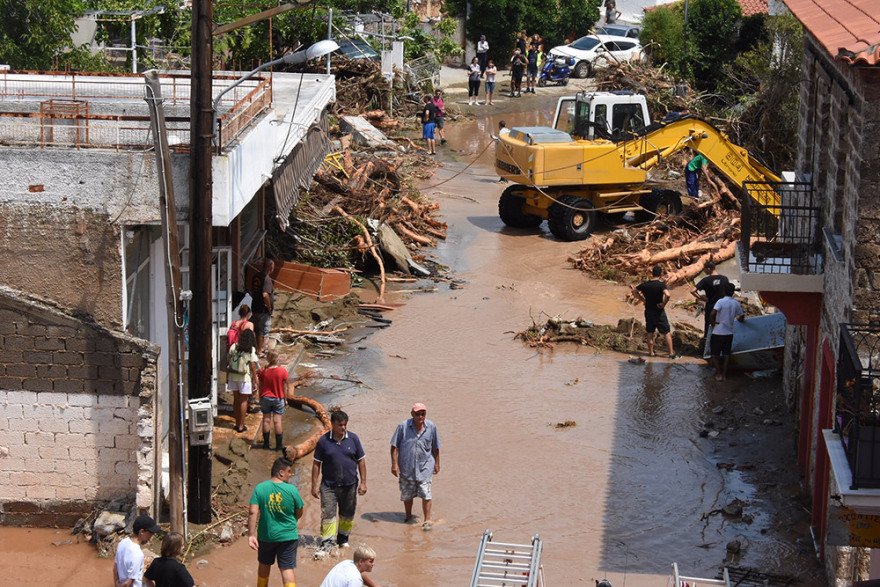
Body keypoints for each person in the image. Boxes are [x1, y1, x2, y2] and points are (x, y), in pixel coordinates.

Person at [312, 410, 367, 551]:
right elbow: (316, 463)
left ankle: (343, 539)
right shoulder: (323, 441)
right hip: (329, 486)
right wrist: (314, 485)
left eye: (345, 425)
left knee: (347, 514)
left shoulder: (353, 439)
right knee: (328, 514)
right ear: (332, 424)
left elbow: (361, 461)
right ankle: (327, 542)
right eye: (340, 425)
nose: (343, 428)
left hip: (350, 485)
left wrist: (363, 483)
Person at [248, 457, 305, 587]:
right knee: (286, 568)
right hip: (288, 536)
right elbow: (300, 510)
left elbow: (252, 512)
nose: (290, 475)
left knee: (264, 564)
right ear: (281, 473)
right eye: (289, 471)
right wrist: (293, 520)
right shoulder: (292, 490)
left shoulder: (260, 488)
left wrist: (251, 535)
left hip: (266, 536)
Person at [390, 402, 441, 530]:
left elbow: (435, 448)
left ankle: (427, 520)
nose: (420, 417)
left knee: (426, 493)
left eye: (423, 414)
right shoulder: (403, 427)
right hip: (406, 467)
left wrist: (437, 464)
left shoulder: (432, 427)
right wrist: (394, 465)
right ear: (412, 414)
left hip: (425, 467)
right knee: (407, 495)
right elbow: (394, 447)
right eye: (417, 414)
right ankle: (408, 517)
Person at [631, 265, 676, 359]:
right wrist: (663, 304)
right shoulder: (661, 284)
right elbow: (668, 295)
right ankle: (671, 354)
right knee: (666, 332)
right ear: (660, 274)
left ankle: (651, 352)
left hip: (648, 311)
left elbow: (634, 291)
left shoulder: (645, 284)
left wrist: (643, 300)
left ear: (652, 273)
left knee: (650, 332)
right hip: (659, 311)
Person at [709, 283, 745, 381]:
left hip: (718, 332)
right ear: (733, 292)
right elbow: (742, 316)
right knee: (726, 354)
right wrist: (739, 319)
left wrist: (712, 323)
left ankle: (719, 373)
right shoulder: (736, 303)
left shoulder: (720, 301)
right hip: (729, 333)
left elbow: (713, 313)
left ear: (724, 291)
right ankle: (724, 374)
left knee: (714, 355)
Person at [114, 514, 161, 587]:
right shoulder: (137, 554)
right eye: (151, 532)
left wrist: (117, 583)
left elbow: (115, 569)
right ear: (142, 532)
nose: (152, 535)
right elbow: (128, 583)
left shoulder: (122, 543)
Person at [228, 328, 259, 433]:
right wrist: (255, 381)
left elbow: (229, 362)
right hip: (244, 377)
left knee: (236, 399)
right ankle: (241, 425)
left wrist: (227, 377)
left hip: (233, 375)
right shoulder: (251, 349)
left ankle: (237, 423)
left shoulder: (234, 346)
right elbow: (253, 366)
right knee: (243, 400)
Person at [258, 350, 289, 450]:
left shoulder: (263, 370)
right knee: (277, 421)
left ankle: (266, 444)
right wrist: (285, 398)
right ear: (277, 359)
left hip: (265, 397)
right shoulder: (282, 371)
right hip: (278, 397)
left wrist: (260, 397)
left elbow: (260, 385)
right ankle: (279, 445)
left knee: (266, 420)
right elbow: (285, 386)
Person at [691, 260, 729, 338]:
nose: (704, 271)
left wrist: (701, 298)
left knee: (709, 325)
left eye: (704, 269)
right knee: (722, 324)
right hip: (723, 306)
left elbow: (692, 290)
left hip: (711, 306)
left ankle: (707, 343)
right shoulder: (725, 279)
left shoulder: (706, 280)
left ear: (708, 269)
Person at [251, 256, 275, 357]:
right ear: (270, 267)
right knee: (262, 330)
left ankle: (259, 349)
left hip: (255, 306)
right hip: (262, 309)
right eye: (273, 266)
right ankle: (260, 351)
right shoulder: (267, 279)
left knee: (257, 329)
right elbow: (265, 294)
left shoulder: (256, 276)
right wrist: (269, 307)